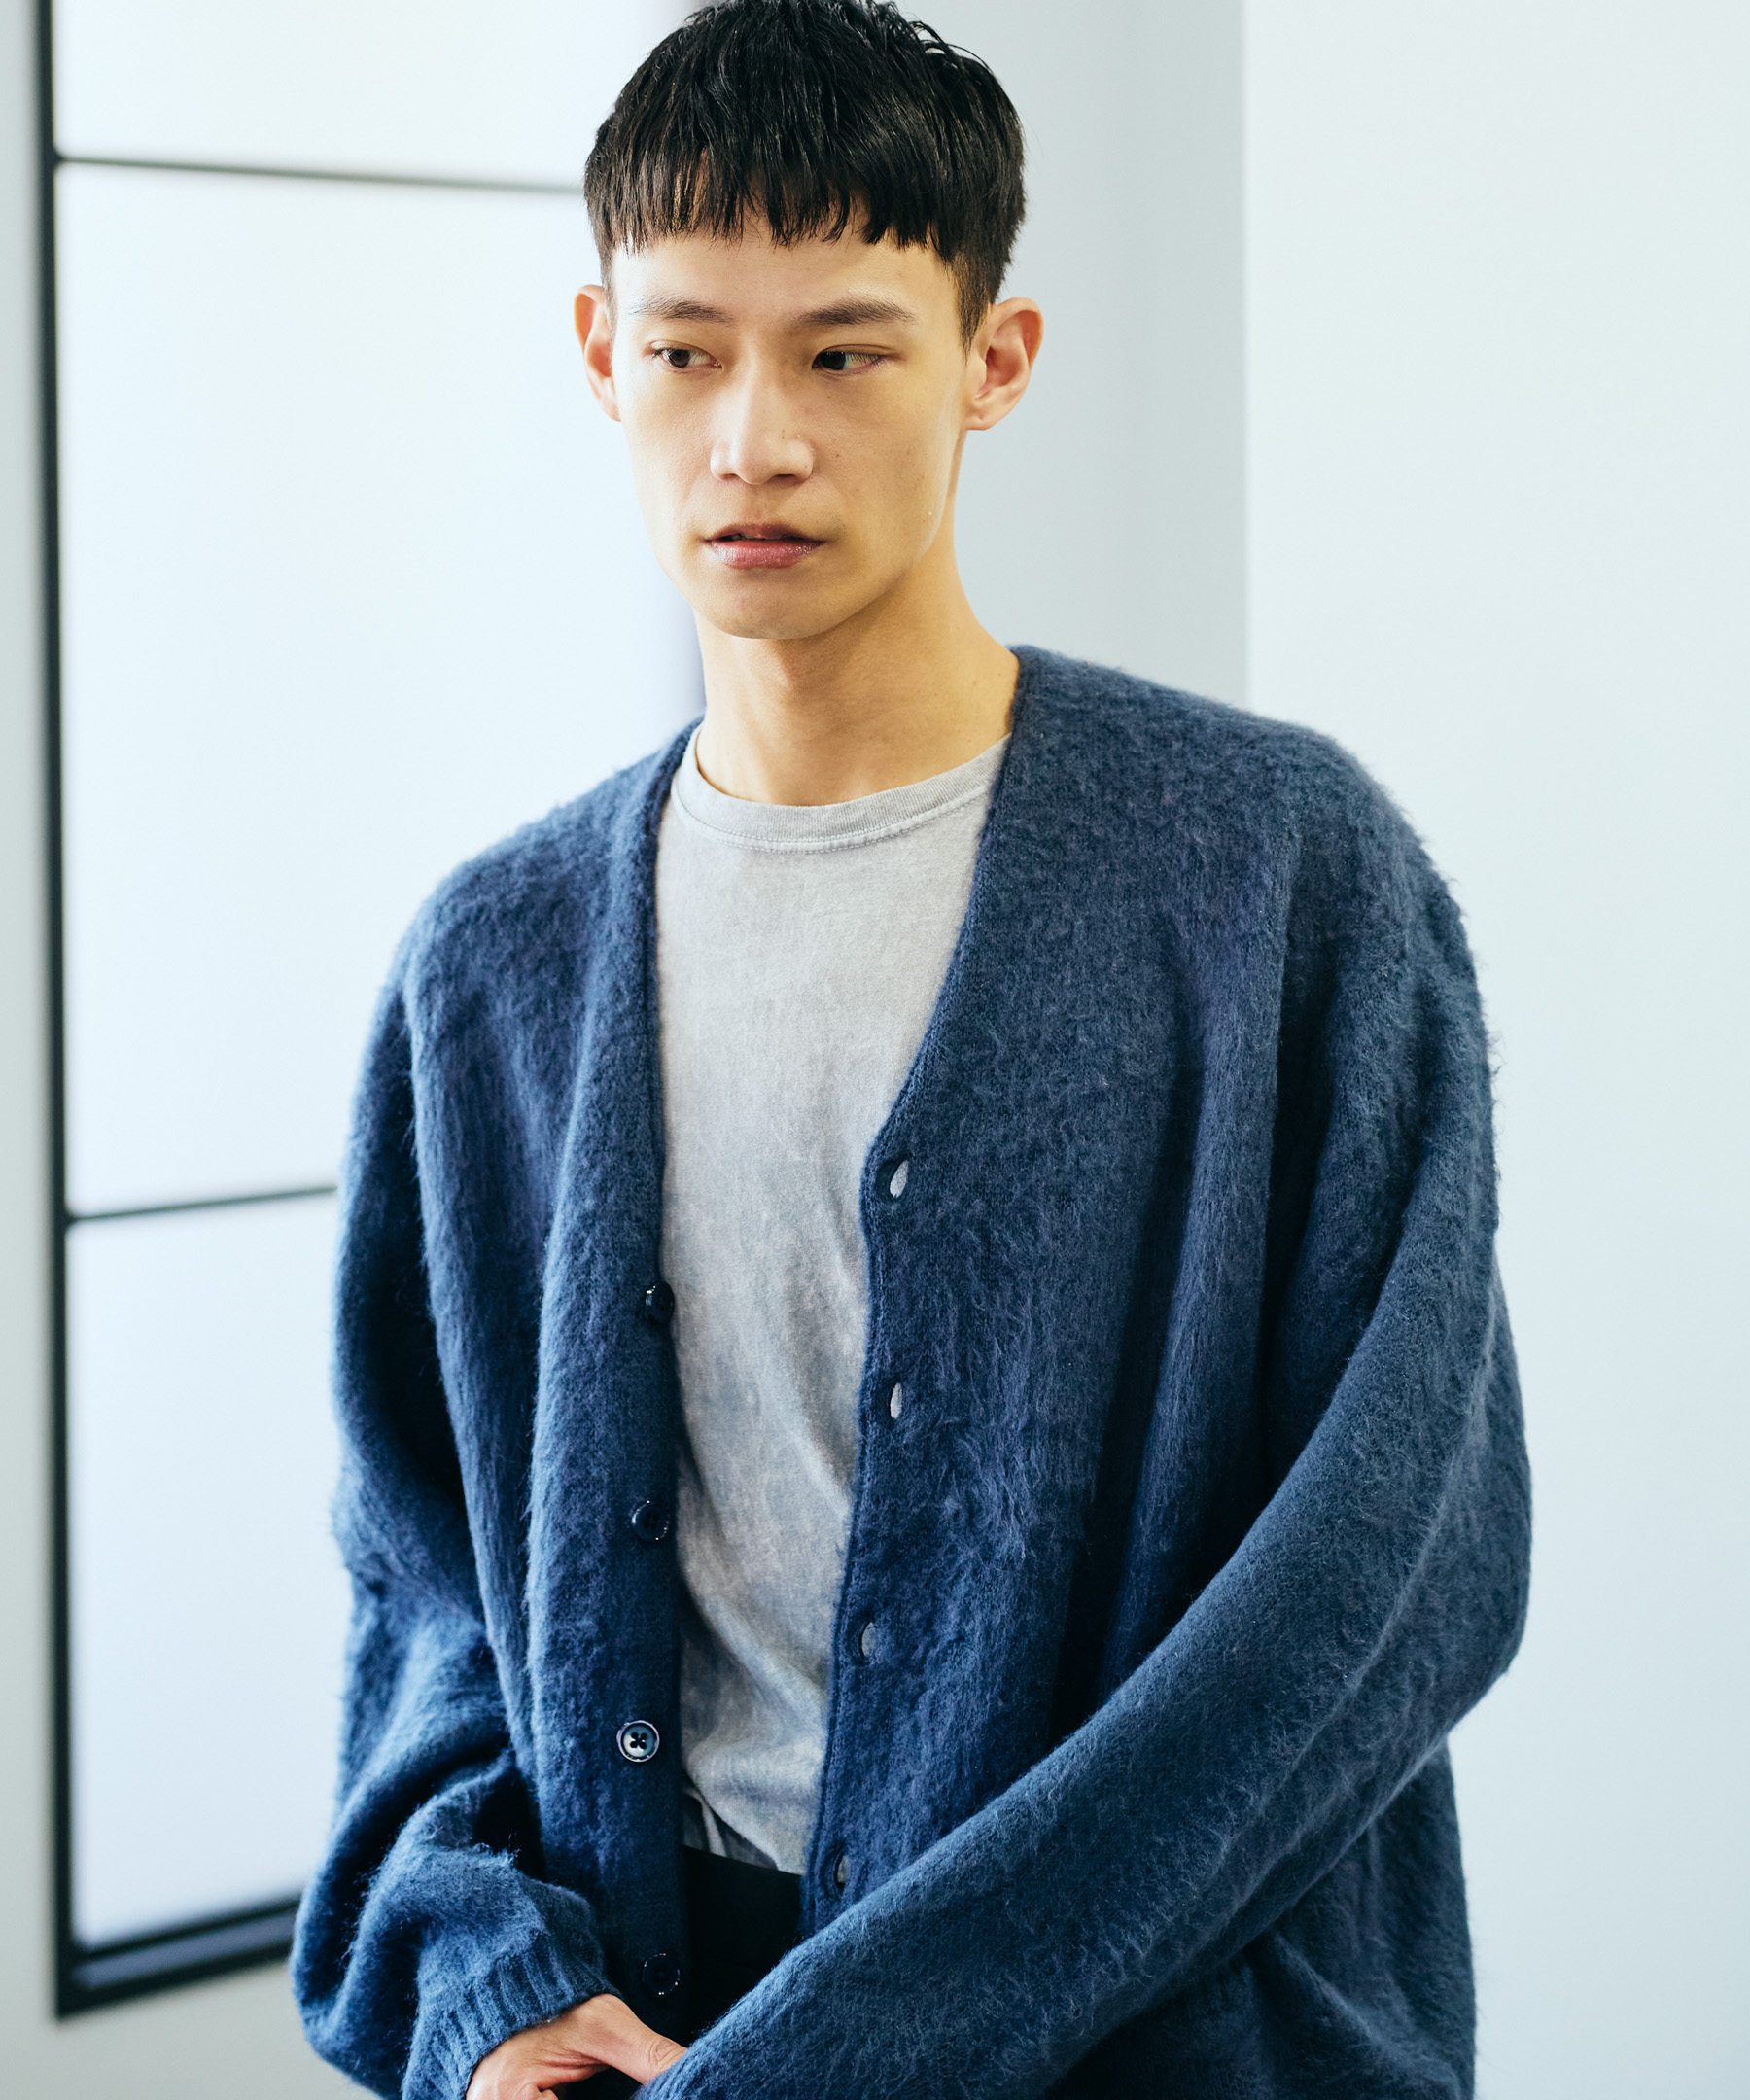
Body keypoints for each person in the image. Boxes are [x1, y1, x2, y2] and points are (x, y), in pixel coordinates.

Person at [291, 4, 1532, 2095]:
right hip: (657, 2029)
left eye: (846, 355)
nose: (753, 438)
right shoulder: (490, 968)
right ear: (601, 354)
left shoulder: (1279, 879)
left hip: (1161, 2037)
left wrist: (868, 2049)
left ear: (994, 360)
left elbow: (1395, 1576)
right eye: (688, 350)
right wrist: (487, 1986)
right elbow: (425, 1598)